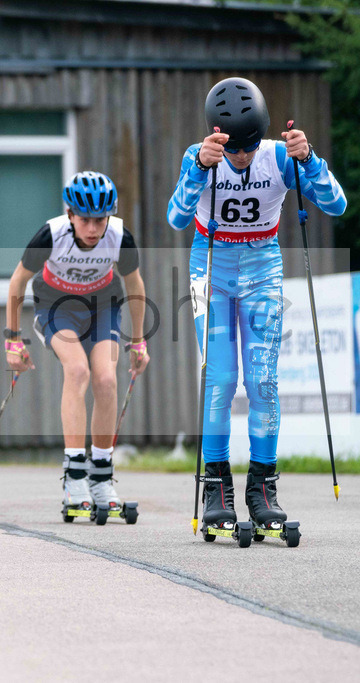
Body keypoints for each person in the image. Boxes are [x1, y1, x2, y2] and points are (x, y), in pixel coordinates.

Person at [167, 77, 346, 533]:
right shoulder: (200, 156)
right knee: (221, 378)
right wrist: (197, 171)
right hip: (212, 269)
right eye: (233, 149)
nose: (241, 157)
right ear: (216, 136)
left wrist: (310, 160)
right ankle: (216, 485)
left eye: (248, 146)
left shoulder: (281, 156)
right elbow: (176, 218)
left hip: (262, 268)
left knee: (263, 379)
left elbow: (336, 204)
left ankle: (262, 487)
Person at [5, 172, 149, 519]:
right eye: (85, 220)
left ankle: (101, 477)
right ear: (70, 215)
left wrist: (139, 340)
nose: (93, 228)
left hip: (102, 307)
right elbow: (17, 281)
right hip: (57, 307)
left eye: (100, 219)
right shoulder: (50, 235)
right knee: (78, 369)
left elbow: (135, 286)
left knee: (107, 379)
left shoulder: (119, 237)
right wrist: (12, 338)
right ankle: (74, 476)